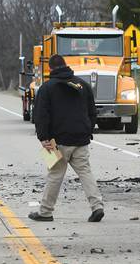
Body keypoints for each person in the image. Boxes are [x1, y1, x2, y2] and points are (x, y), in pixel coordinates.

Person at [29, 54, 104, 222]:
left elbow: (41, 116)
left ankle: (45, 212)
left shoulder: (47, 88)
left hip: (56, 142)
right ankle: (97, 206)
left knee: (55, 175)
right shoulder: (82, 85)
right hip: (81, 139)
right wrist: (87, 131)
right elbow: (92, 112)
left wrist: (43, 137)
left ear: (50, 68)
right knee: (85, 172)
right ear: (66, 65)